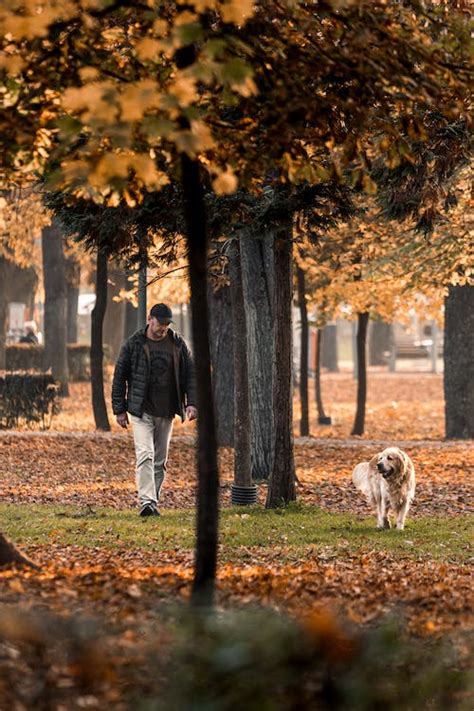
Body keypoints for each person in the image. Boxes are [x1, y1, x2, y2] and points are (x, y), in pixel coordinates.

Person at [112, 303, 197, 517]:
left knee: (160, 461)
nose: (164, 328)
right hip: (141, 410)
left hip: (167, 409)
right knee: (145, 455)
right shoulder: (134, 344)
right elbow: (119, 377)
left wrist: (192, 403)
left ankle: (152, 501)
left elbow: (191, 376)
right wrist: (119, 409)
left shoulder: (177, 344)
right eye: (161, 323)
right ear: (150, 319)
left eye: (167, 324)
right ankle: (147, 502)